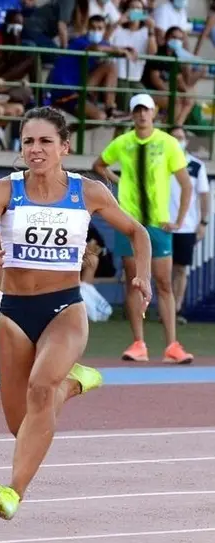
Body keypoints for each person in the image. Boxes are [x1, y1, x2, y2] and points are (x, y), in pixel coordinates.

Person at [0, 105, 153, 520]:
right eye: (28, 141)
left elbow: (137, 232)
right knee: (22, 424)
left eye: (45, 141)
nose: (36, 149)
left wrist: (144, 278)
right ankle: (72, 384)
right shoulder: (5, 189)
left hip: (64, 308)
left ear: (64, 147)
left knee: (40, 390)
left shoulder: (89, 191)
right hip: (13, 311)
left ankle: (13, 491)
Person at [93, 93, 194, 363]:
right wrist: (121, 182)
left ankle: (172, 345)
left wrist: (180, 220)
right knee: (134, 281)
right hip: (128, 222)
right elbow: (99, 165)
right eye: (137, 110)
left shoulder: (168, 143)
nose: (141, 115)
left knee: (163, 283)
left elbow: (186, 183)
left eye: (145, 110)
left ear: (154, 113)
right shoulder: (123, 142)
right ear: (132, 114)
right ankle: (139, 343)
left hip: (158, 223)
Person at [167, 125, 210, 324]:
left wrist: (203, 222)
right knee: (162, 270)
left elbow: (204, 196)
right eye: (174, 137)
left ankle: (175, 310)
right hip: (163, 225)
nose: (178, 140)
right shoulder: (160, 164)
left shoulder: (196, 166)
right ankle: (164, 310)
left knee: (181, 269)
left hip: (186, 226)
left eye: (181, 137)